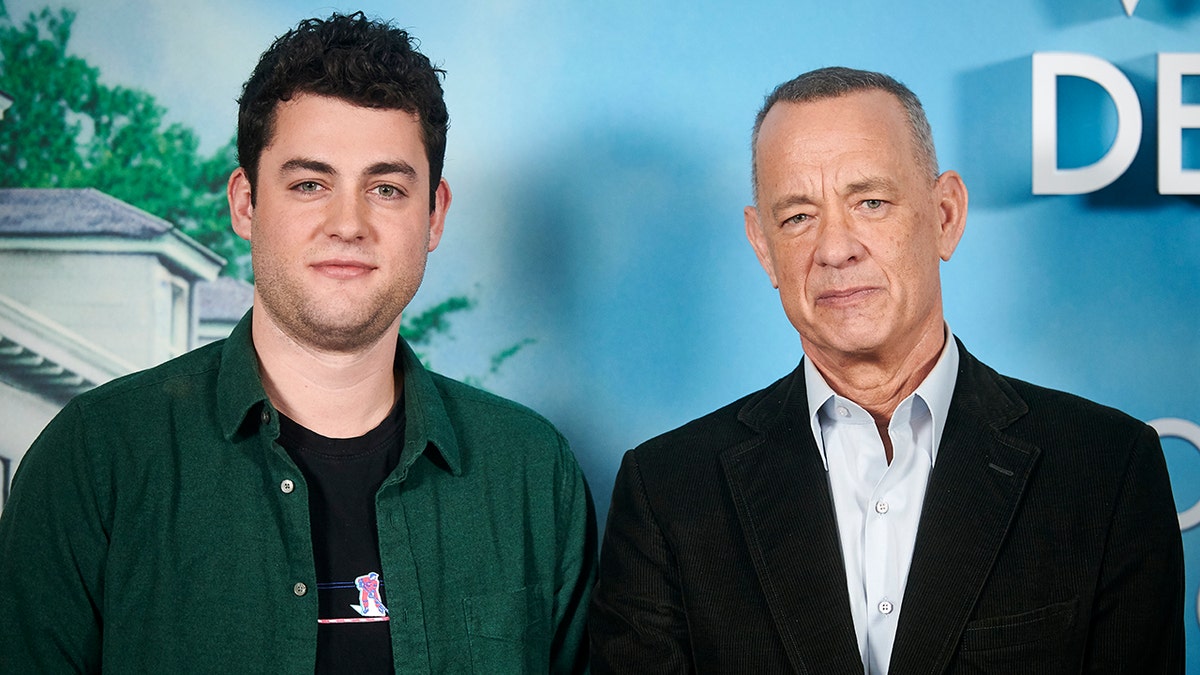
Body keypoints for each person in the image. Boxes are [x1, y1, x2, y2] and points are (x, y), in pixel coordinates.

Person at [0, 12, 596, 673]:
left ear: (434, 215)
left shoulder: (531, 474)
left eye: (387, 188)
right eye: (310, 183)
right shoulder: (96, 459)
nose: (348, 223)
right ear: (245, 203)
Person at [588, 67, 1184, 673]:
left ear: (946, 215)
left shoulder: (1105, 468)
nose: (835, 247)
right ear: (763, 246)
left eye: (870, 202)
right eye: (798, 216)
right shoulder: (667, 491)